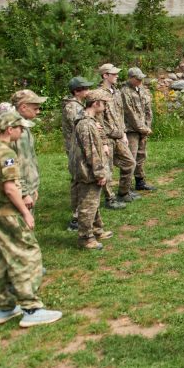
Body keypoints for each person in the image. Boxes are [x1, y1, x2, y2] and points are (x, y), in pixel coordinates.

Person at [0, 110, 62, 327]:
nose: (22, 131)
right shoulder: (7, 154)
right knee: (27, 254)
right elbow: (9, 188)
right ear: (10, 129)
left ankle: (4, 307)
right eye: (20, 128)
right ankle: (31, 308)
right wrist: (26, 213)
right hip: (9, 213)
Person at [73, 90, 115, 250]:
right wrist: (99, 173)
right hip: (88, 172)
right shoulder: (86, 125)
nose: (105, 105)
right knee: (87, 205)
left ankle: (97, 230)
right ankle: (85, 237)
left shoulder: (90, 121)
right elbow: (91, 152)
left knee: (94, 202)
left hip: (91, 171)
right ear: (96, 103)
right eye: (103, 103)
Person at [98, 63, 135, 207]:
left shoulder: (116, 92)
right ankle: (110, 199)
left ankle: (123, 192)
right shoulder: (99, 94)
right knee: (107, 170)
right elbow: (98, 119)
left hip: (119, 135)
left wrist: (124, 133)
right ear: (105, 75)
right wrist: (103, 142)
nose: (117, 76)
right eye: (114, 74)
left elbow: (120, 114)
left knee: (129, 162)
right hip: (107, 137)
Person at [61, 77, 94, 232]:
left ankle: (82, 214)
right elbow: (79, 125)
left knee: (81, 180)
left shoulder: (79, 104)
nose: (88, 91)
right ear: (76, 91)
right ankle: (76, 217)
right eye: (85, 89)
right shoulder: (72, 107)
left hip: (80, 147)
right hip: (76, 149)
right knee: (78, 181)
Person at [10, 90, 48, 216]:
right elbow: (12, 165)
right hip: (19, 191)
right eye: (35, 108)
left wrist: (33, 188)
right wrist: (24, 193)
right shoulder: (12, 130)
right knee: (21, 230)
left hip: (28, 188)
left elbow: (28, 159)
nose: (38, 112)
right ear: (23, 107)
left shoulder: (23, 127)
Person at [121, 67, 155, 192]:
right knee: (131, 157)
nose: (140, 80)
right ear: (130, 78)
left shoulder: (142, 89)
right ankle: (126, 187)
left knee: (141, 156)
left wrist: (147, 126)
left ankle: (140, 182)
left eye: (141, 78)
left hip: (143, 130)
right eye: (137, 78)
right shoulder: (125, 92)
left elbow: (148, 110)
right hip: (131, 131)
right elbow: (129, 113)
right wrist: (142, 128)